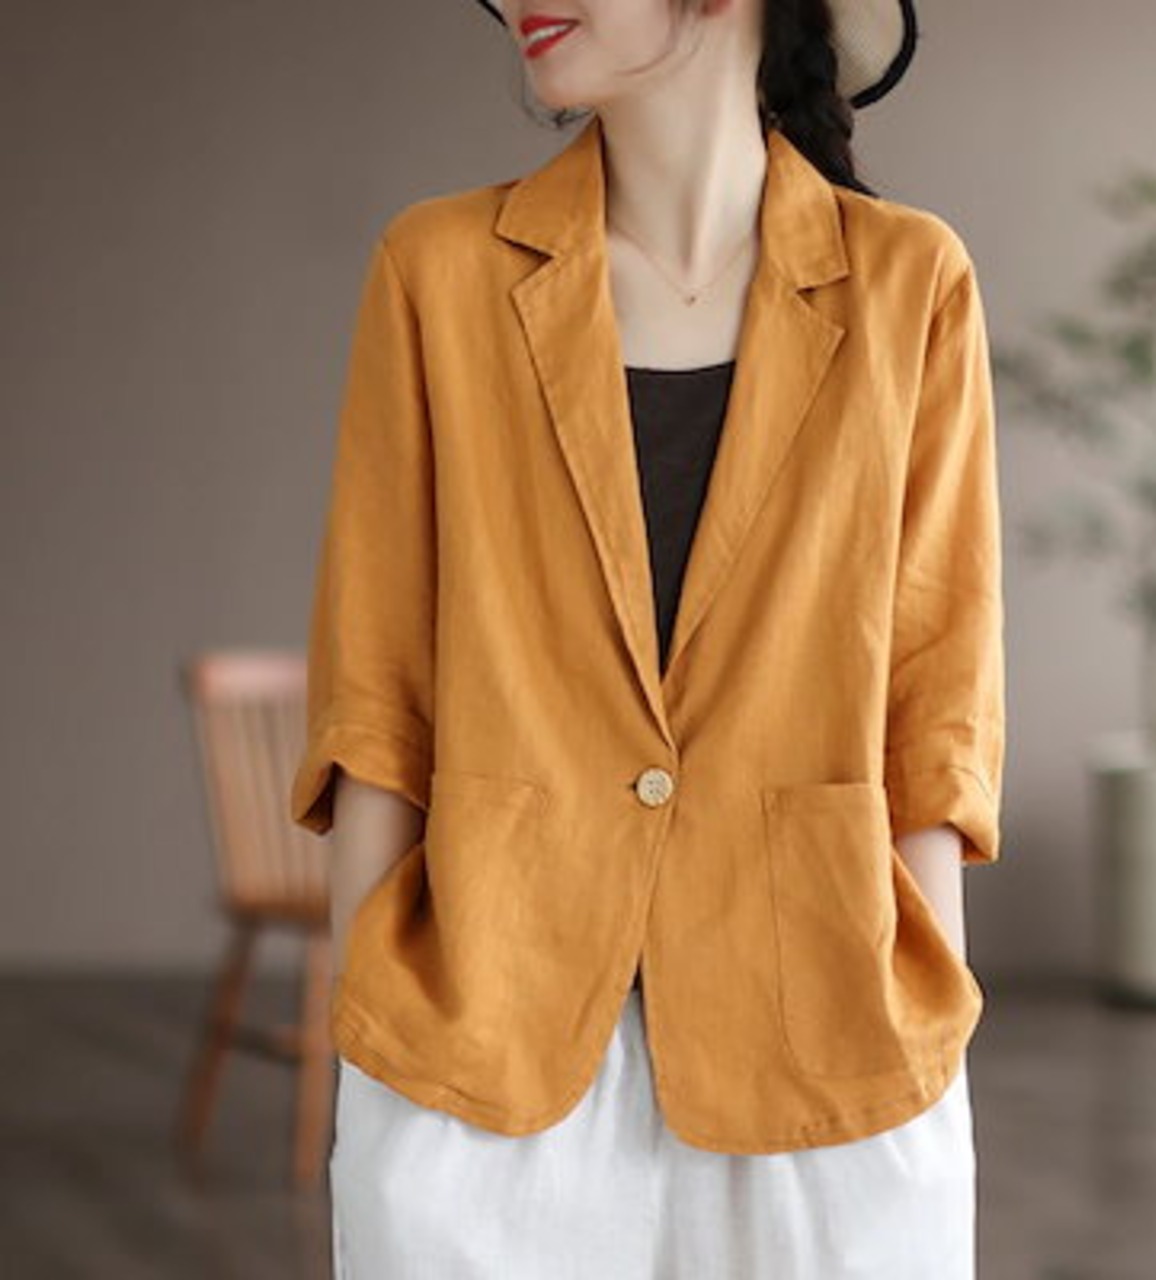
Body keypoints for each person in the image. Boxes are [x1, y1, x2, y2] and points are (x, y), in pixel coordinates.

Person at [290, 0, 1006, 1275]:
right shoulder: (439, 267)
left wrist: (923, 1032)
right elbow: (376, 689)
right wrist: (374, 1045)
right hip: (482, 1032)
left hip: (825, 1027)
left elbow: (933, 703)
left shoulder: (907, 279)